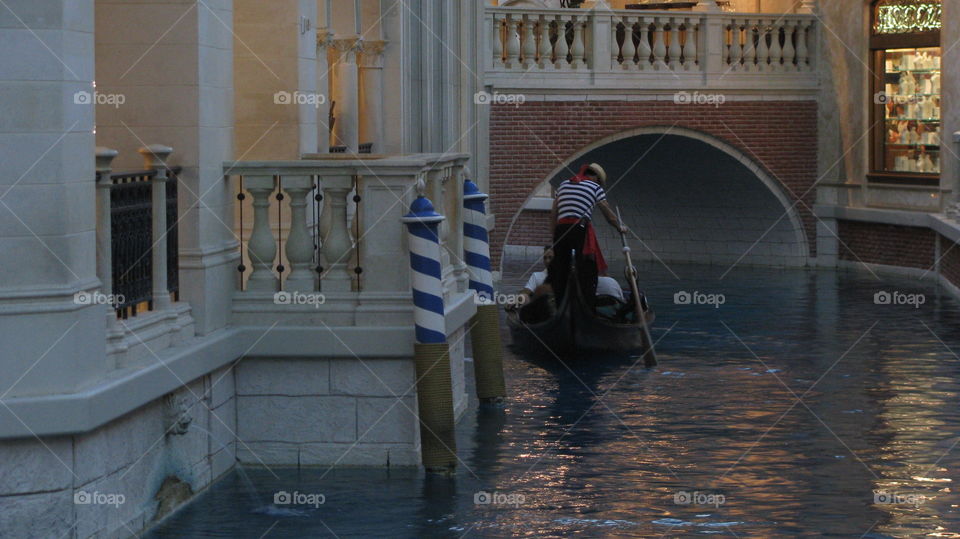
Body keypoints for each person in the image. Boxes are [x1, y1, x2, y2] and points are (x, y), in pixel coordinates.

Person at [547, 163, 627, 307]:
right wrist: (620, 227)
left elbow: (554, 214)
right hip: (580, 229)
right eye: (600, 182)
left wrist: (554, 238)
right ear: (596, 178)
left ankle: (560, 305)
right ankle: (587, 306)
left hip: (561, 229)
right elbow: (609, 215)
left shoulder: (564, 184)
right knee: (587, 270)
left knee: (560, 270)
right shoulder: (595, 188)